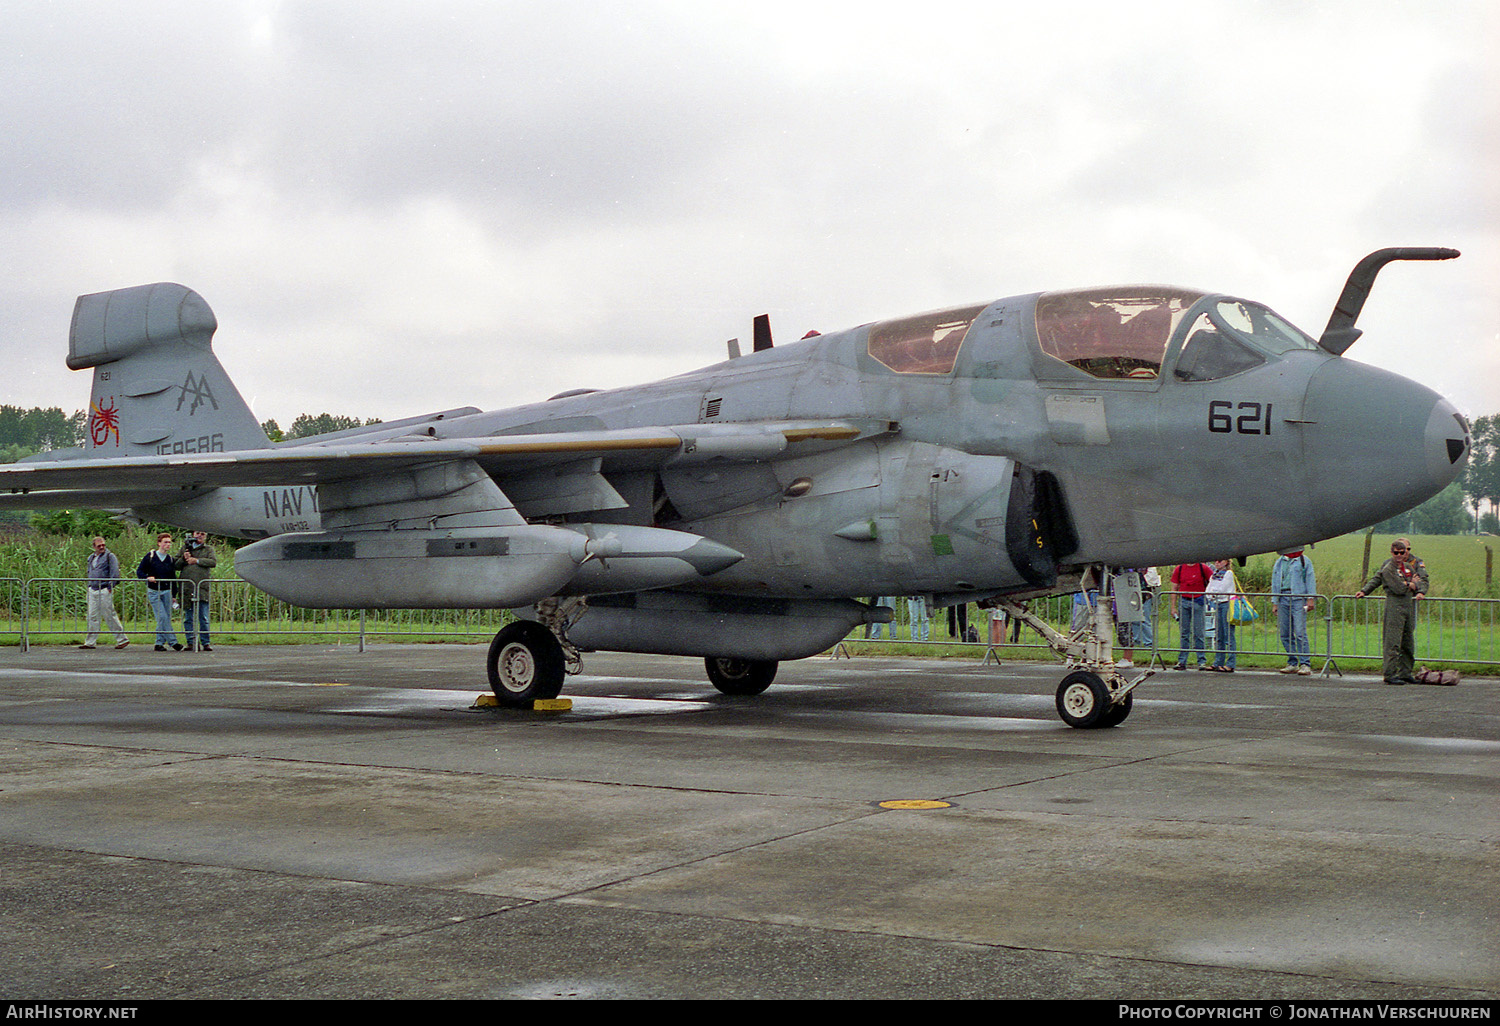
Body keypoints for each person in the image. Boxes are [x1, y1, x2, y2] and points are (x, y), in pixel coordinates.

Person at [1356, 538, 1429, 685]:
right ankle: (1390, 674)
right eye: (1396, 552)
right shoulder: (1388, 568)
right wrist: (1365, 591)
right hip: (1395, 606)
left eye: (1402, 552)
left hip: (1408, 605)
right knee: (1393, 642)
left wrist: (1417, 588)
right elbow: (1396, 587)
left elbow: (1420, 580)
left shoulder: (1409, 566)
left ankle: (1405, 672)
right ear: (1392, 552)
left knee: (1408, 642)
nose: (1399, 555)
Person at [1271, 548, 1317, 675]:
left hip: (1298, 599)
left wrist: (1310, 598)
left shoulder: (1304, 561)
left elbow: (1310, 580)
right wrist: (1275, 601)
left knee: (1300, 632)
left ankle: (1305, 663)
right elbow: (1275, 582)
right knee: (1285, 632)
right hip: (1283, 598)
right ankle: (1292, 662)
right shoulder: (1279, 562)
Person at [79, 536, 129, 650]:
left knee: (109, 615)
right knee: (92, 615)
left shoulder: (109, 556)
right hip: (93, 588)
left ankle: (122, 639)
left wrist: (111, 585)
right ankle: (90, 642)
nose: (101, 547)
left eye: (103, 545)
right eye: (99, 546)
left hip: (104, 588)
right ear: (94, 547)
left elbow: (115, 571)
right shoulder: (91, 558)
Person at [137, 531, 182, 651]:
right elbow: (139, 571)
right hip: (154, 591)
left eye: (169, 542)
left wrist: (174, 594)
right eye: (165, 542)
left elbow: (173, 578)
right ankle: (173, 642)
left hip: (166, 591)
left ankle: (159, 643)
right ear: (159, 543)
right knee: (162, 616)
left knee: (165, 617)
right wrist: (147, 577)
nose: (168, 544)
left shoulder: (170, 559)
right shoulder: (151, 556)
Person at [175, 529, 217, 651]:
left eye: (202, 534)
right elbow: (175, 565)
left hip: (201, 587)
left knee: (203, 616)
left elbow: (213, 562)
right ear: (193, 534)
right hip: (187, 587)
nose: (199, 536)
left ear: (205, 537)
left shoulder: (208, 549)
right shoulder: (185, 548)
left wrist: (196, 561)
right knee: (188, 617)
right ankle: (191, 642)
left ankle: (206, 642)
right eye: (197, 533)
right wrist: (184, 558)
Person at [1169, 561, 1213, 669]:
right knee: (1184, 632)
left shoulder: (1203, 568)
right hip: (1184, 600)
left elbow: (1213, 582)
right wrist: (1173, 607)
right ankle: (1182, 661)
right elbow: (1174, 588)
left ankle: (1201, 661)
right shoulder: (1179, 569)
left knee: (1199, 632)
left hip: (1198, 600)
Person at [1205, 559, 1240, 672]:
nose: (1217, 563)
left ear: (1226, 562)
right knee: (1219, 634)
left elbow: (1222, 589)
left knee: (1228, 634)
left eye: (1220, 561)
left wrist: (1214, 593)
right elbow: (1208, 589)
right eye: (1215, 561)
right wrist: (1212, 595)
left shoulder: (1228, 574)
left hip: (1227, 603)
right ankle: (1218, 662)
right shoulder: (1214, 575)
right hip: (1218, 603)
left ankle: (1230, 663)